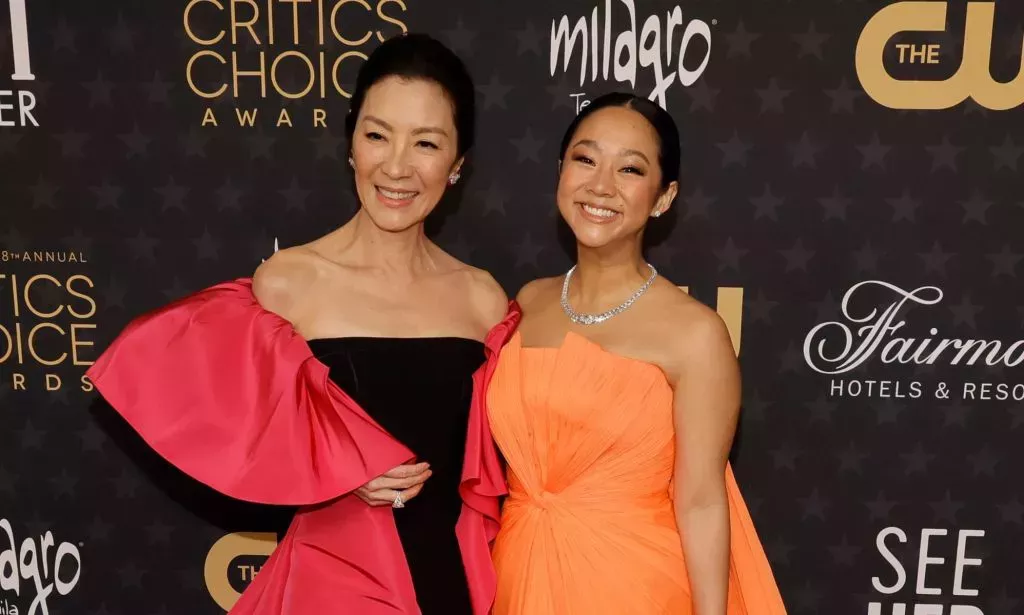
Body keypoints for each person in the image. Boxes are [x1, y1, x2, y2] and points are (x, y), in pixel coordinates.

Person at [86, 33, 518, 615]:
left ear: (458, 163)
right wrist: (335, 466)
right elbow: (235, 429)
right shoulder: (288, 284)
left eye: (426, 143)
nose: (396, 166)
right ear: (351, 145)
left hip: (447, 584)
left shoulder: (483, 299)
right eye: (377, 135)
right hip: (333, 583)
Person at [486, 92, 787, 614]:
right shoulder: (528, 302)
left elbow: (700, 501)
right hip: (517, 575)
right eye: (585, 159)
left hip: (633, 587)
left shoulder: (695, 334)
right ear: (560, 170)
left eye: (629, 169)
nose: (600, 185)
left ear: (664, 197)